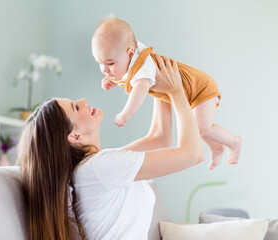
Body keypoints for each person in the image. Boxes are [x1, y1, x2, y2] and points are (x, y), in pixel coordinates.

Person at [17, 54, 204, 240]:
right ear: (74, 136)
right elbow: (193, 154)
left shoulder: (96, 167)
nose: (83, 101)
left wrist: (154, 79)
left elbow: (160, 137)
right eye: (75, 107)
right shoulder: (99, 167)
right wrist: (176, 92)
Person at [92, 16, 242, 169]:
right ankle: (216, 147)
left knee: (202, 128)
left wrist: (126, 113)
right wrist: (112, 79)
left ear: (131, 53)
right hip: (184, 92)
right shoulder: (126, 60)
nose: (104, 69)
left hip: (200, 88)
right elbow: (126, 75)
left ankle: (233, 141)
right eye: (100, 63)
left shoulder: (144, 66)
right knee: (200, 129)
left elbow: (140, 89)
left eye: (109, 63)